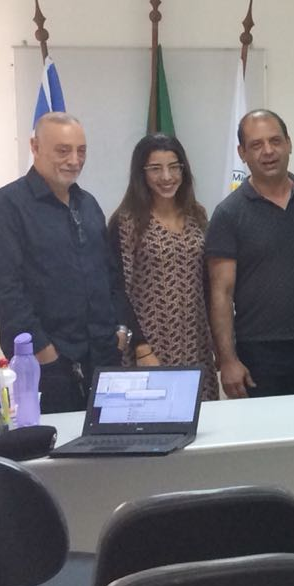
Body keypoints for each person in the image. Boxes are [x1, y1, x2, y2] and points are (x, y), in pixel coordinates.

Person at [0, 113, 133, 412]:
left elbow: (111, 276)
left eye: (81, 150)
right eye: (63, 150)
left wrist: (120, 330)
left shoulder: (88, 204)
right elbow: (4, 290)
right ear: (35, 147)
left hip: (103, 359)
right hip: (47, 369)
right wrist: (43, 353)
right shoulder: (6, 206)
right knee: (56, 453)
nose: (74, 160)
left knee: (113, 452)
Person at [206, 110, 294, 399]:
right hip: (259, 353)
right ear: (242, 152)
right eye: (256, 145)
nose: (268, 151)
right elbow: (221, 293)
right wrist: (227, 360)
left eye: (275, 141)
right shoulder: (228, 214)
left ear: (289, 143)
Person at [109, 134, 217, 400]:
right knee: (152, 419)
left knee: (200, 420)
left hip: (195, 341)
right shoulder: (126, 221)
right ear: (141, 173)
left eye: (174, 166)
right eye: (156, 169)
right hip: (149, 344)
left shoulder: (197, 215)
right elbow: (116, 289)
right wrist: (141, 347)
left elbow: (207, 283)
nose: (167, 177)